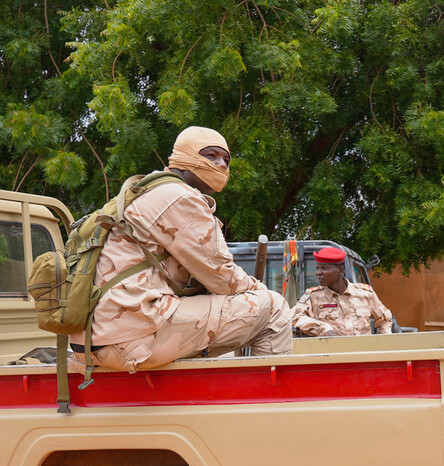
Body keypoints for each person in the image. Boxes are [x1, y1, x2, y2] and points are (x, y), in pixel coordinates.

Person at [71, 126, 292, 372]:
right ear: (185, 156)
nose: (221, 165)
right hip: (132, 337)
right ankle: (266, 403)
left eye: (226, 159)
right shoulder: (179, 197)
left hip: (93, 341)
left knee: (206, 303)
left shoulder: (147, 191)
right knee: (274, 307)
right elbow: (224, 279)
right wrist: (258, 290)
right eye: (211, 155)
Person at [291, 247, 393, 336]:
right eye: (317, 268)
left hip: (362, 354)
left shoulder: (365, 294)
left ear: (341, 270)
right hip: (331, 355)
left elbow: (385, 319)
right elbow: (293, 318)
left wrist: (382, 342)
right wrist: (323, 328)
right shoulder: (313, 296)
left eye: (324, 268)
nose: (318, 273)